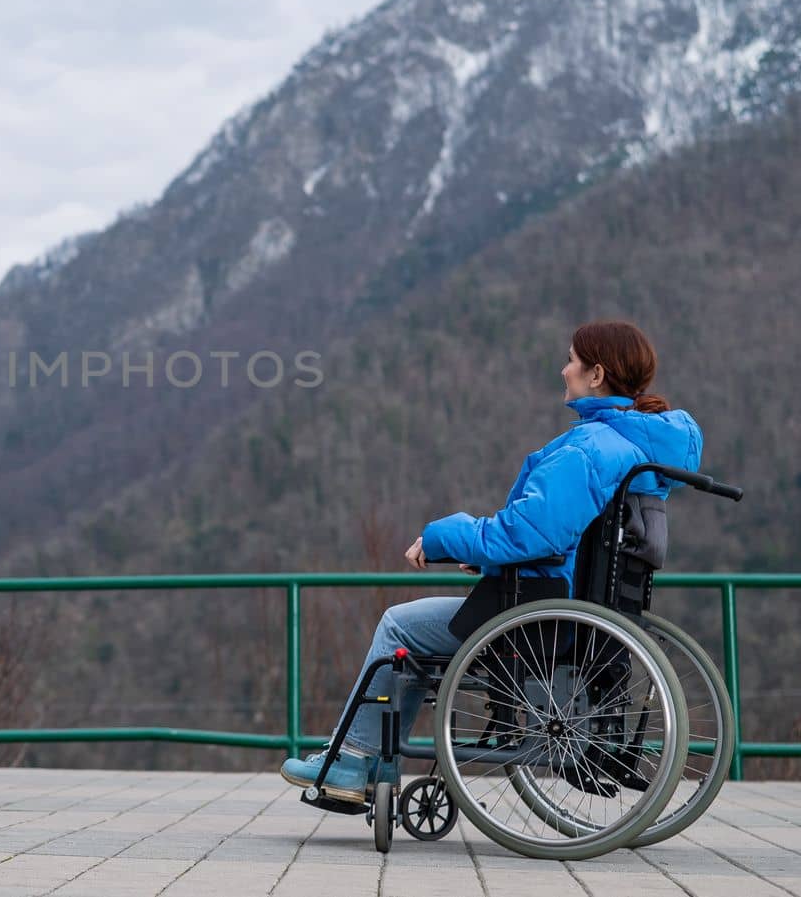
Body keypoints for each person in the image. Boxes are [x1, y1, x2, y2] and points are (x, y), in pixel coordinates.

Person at [279, 320, 703, 804]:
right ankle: (368, 758)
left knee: (399, 627)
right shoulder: (637, 450)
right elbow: (569, 543)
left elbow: (530, 533)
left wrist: (443, 538)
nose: (563, 370)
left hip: (539, 618)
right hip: (580, 614)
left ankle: (354, 759)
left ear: (597, 374)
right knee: (418, 632)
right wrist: (490, 563)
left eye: (571, 360)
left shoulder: (589, 449)